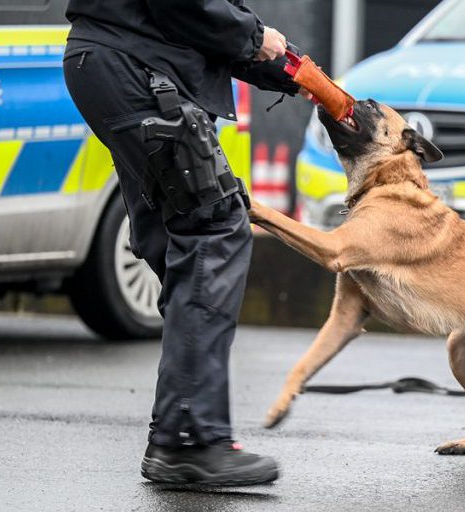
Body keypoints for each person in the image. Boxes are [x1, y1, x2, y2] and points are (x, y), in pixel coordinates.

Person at [62, 0, 306, 486]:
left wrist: (282, 65)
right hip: (138, 68)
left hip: (115, 62)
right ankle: (188, 441)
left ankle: (179, 435)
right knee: (213, 231)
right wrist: (254, 35)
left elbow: (186, 16)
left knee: (176, 240)